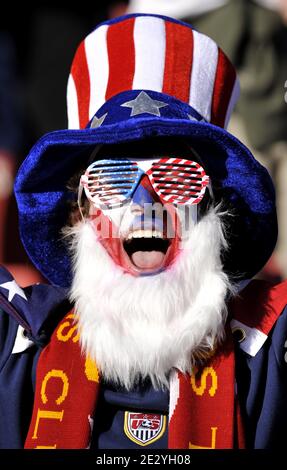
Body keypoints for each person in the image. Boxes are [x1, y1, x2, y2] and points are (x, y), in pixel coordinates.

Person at [0, 13, 286, 450]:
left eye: (177, 176)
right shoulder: (21, 342)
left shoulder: (266, 347)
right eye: (112, 179)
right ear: (81, 212)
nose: (145, 202)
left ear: (214, 209)